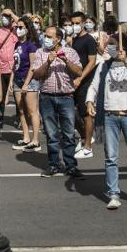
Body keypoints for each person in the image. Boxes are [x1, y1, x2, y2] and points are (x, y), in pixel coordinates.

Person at [86, 28, 127, 210]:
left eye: (115, 45)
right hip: (109, 116)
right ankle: (113, 194)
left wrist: (126, 61)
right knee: (111, 158)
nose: (112, 49)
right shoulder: (104, 66)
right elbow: (94, 86)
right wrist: (90, 100)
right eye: (110, 46)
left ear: (125, 47)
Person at [30, 26, 84, 179]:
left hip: (66, 97)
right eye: (45, 36)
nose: (45, 38)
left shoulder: (70, 52)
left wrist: (65, 60)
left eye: (48, 36)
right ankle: (53, 164)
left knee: (68, 133)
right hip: (46, 97)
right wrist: (48, 62)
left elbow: (79, 71)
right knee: (51, 134)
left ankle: (71, 166)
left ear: (58, 39)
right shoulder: (41, 53)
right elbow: (36, 75)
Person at [69, 12, 99, 159]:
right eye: (72, 23)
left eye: (77, 23)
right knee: (71, 112)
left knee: (86, 114)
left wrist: (80, 78)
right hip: (73, 82)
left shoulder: (89, 40)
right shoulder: (74, 40)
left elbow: (92, 61)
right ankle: (84, 137)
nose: (74, 26)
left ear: (83, 23)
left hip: (85, 82)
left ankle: (88, 147)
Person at [10, 17, 42, 153]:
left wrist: (26, 83)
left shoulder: (31, 45)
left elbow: (33, 66)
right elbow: (15, 64)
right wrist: (12, 81)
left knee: (32, 110)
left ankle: (35, 140)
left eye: (21, 27)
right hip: (17, 79)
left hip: (29, 81)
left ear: (28, 29)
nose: (18, 29)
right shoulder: (17, 44)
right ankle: (26, 137)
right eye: (17, 27)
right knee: (21, 110)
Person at [0, 10, 18, 128]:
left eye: (7, 17)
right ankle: (0, 118)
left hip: (15, 69)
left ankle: (19, 117)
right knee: (0, 96)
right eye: (3, 16)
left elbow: (24, 23)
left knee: (17, 97)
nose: (5, 19)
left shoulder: (17, 31)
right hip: (1, 69)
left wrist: (11, 14)